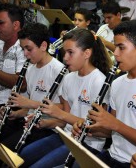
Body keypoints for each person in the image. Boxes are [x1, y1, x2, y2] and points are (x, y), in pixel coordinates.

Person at [72, 20, 136, 167]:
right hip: (112, 155)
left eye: (121, 47)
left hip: (134, 163)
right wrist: (89, 129)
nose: (115, 53)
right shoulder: (117, 83)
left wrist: (116, 125)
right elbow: (112, 131)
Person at [19, 28, 111, 167]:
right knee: (24, 154)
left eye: (70, 53)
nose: (65, 58)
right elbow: (65, 121)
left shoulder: (99, 81)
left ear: (87, 53)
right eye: (64, 52)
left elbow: (100, 130)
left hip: (87, 144)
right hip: (67, 137)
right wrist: (46, 123)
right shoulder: (68, 78)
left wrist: (59, 113)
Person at [0, 23, 65, 153]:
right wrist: (15, 113)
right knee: (2, 147)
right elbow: (27, 109)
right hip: (30, 123)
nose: (25, 54)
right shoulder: (30, 69)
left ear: (44, 46)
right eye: (23, 49)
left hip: (49, 129)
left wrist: (30, 103)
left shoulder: (59, 70)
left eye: (29, 49)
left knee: (10, 152)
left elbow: (64, 108)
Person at [0, 3, 26, 120]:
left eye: (1, 23)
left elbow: (21, 84)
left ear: (15, 25)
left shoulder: (24, 49)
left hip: (9, 108)